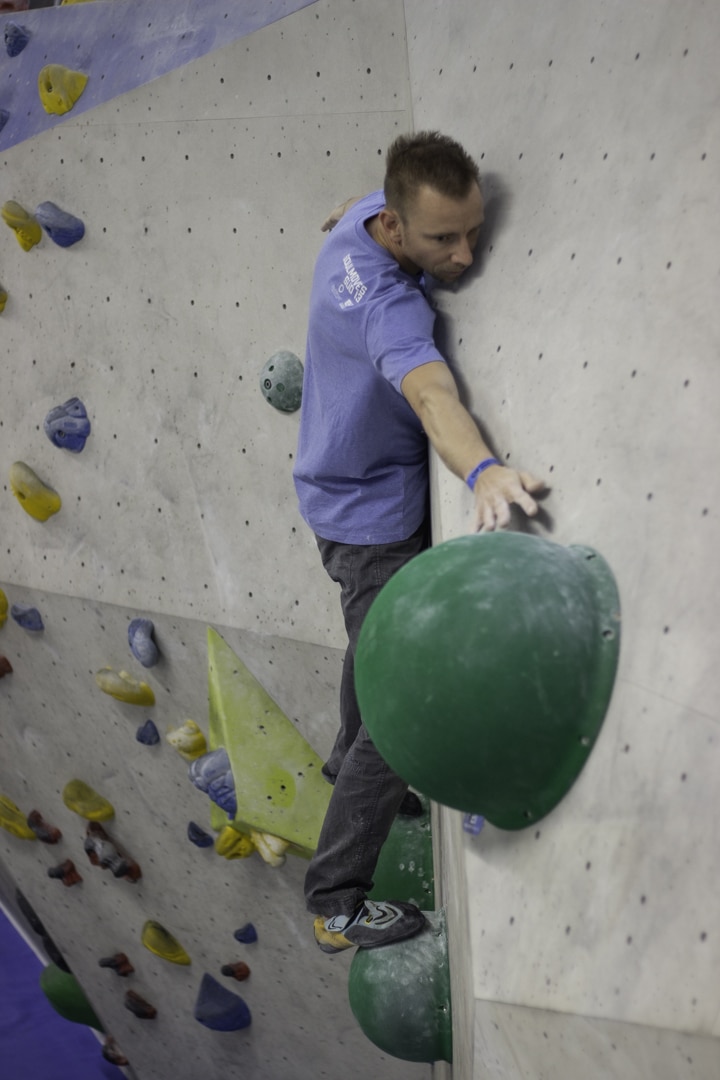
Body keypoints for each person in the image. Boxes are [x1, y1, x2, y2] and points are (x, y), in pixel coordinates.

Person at [293, 131, 545, 954]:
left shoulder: (362, 220)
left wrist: (359, 207)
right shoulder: (388, 306)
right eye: (444, 239)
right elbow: (432, 393)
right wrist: (484, 473)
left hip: (336, 492)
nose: (465, 254)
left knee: (370, 648)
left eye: (473, 231)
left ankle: (346, 765)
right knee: (402, 701)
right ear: (397, 229)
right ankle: (335, 902)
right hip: (371, 521)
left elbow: (353, 202)